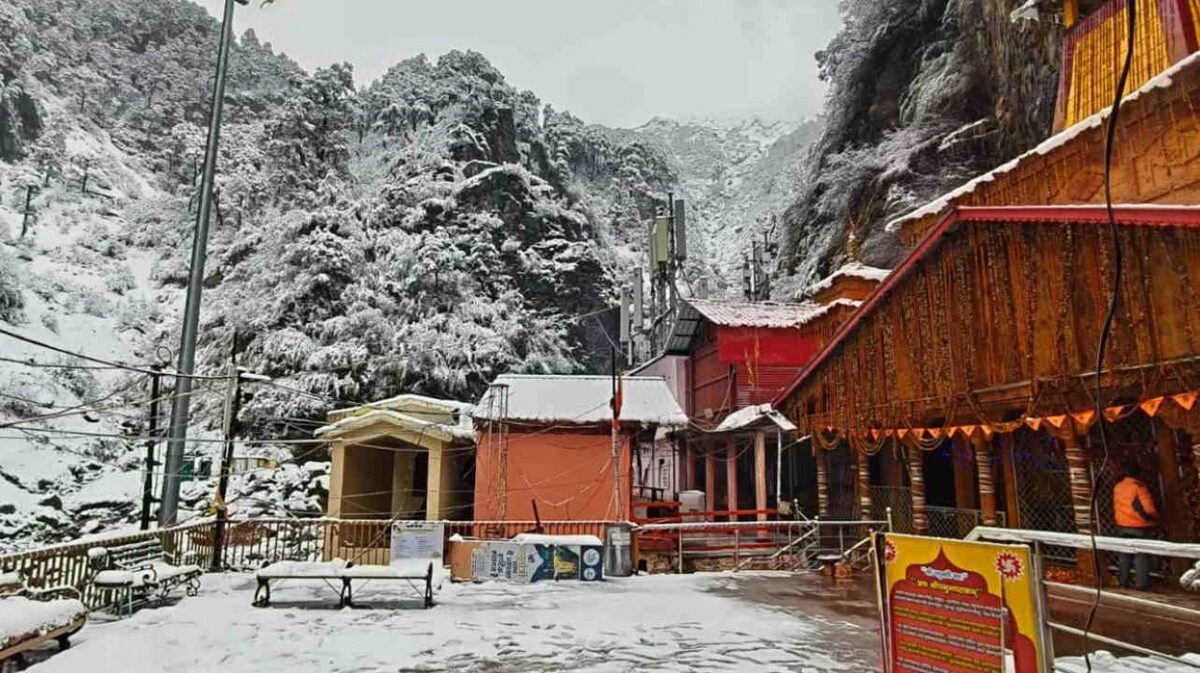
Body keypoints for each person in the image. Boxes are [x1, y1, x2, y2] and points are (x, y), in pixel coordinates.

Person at [1112, 458, 1159, 590]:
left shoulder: (1118, 486)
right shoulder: (1139, 487)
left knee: (1124, 555)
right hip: (1140, 526)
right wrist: (1155, 519)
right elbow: (1148, 508)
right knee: (1141, 555)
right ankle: (1141, 584)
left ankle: (1123, 582)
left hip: (1122, 525)